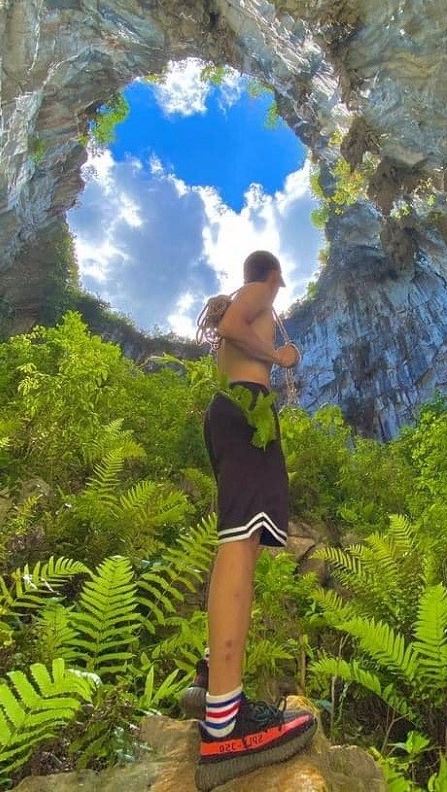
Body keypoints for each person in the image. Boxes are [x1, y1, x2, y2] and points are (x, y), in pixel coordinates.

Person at [186, 250, 317, 792]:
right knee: (241, 543)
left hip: (234, 414)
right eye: (281, 278)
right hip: (247, 411)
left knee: (242, 540)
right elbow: (234, 323)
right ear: (273, 275)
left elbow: (228, 328)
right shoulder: (257, 294)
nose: (282, 286)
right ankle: (225, 722)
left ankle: (213, 676)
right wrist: (279, 357)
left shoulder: (253, 303)